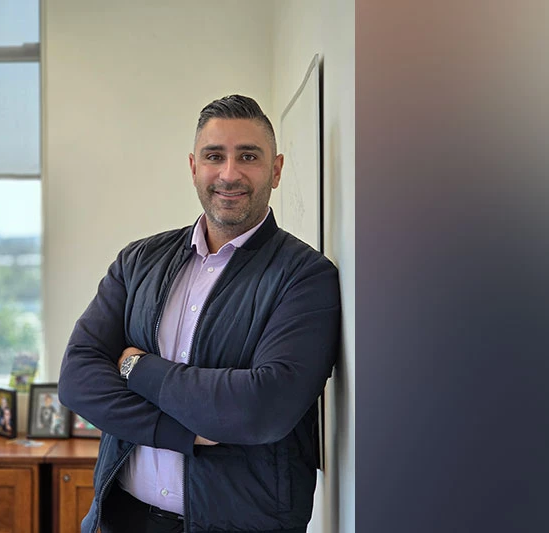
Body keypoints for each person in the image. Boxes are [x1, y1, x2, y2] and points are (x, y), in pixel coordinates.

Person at [58, 95, 341, 533]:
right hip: (121, 517)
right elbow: (78, 378)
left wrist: (136, 367)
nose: (229, 173)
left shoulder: (304, 276)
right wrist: (183, 432)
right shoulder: (139, 262)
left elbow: (262, 408)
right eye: (215, 156)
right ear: (194, 167)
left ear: (277, 169)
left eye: (248, 156)